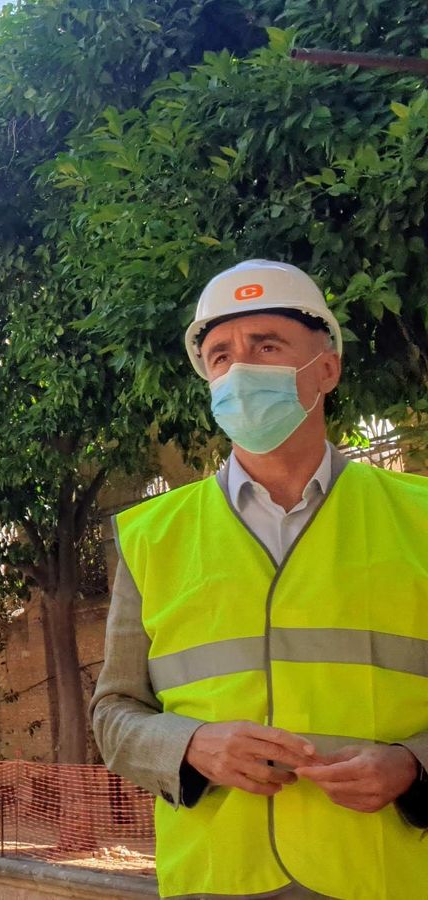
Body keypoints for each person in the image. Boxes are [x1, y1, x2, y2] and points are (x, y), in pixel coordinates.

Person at [91, 260, 428, 898]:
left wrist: (414, 763)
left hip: (384, 872)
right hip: (218, 874)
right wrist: (190, 744)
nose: (240, 369)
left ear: (326, 368)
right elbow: (114, 713)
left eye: (266, 346)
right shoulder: (152, 536)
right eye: (220, 356)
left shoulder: (420, 518)